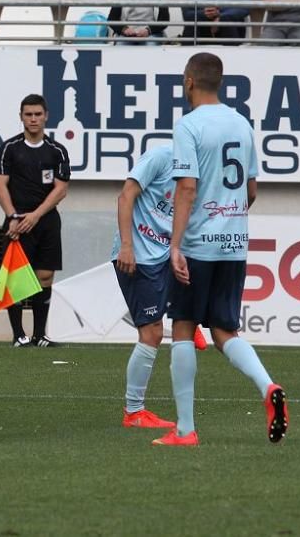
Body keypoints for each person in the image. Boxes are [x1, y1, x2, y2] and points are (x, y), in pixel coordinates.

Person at [155, 52, 288, 446]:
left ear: (190, 82)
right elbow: (251, 190)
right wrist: (229, 221)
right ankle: (268, 387)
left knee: (182, 326)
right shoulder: (242, 124)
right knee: (224, 329)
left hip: (198, 244)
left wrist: (176, 244)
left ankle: (185, 430)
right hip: (234, 243)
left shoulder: (189, 125)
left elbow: (187, 187)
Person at [113, 145, 208, 429]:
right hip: (139, 256)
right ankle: (134, 412)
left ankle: (191, 324)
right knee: (152, 332)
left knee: (188, 293)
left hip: (166, 254)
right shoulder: (161, 157)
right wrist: (127, 245)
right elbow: (126, 195)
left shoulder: (203, 173)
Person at [0, 94, 70, 347]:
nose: (33, 119)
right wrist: (13, 216)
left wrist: (36, 216)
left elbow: (61, 189)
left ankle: (39, 335)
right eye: (28, 114)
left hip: (46, 221)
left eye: (38, 114)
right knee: (15, 279)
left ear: (46, 115)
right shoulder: (9, 148)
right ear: (21, 117)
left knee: (45, 275)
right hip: (16, 221)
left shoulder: (57, 150)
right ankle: (18, 336)